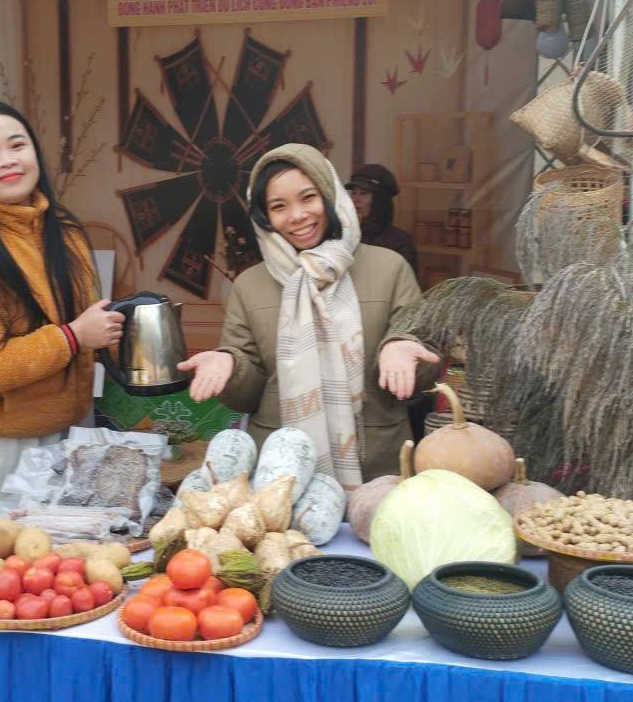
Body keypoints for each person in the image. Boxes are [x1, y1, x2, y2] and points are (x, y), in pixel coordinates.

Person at [177, 144, 440, 485]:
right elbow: (249, 394)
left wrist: (403, 347)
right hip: (280, 478)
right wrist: (230, 365)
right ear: (264, 217)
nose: (297, 215)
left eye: (308, 197)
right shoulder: (250, 285)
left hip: (376, 471)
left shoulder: (389, 268)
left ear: (330, 194)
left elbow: (423, 365)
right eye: (279, 206)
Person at [0, 98, 124, 545]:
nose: (7, 160)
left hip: (71, 434)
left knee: (62, 569)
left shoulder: (64, 231)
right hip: (0, 447)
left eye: (17, 145)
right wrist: (73, 337)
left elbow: (87, 323)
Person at [346, 163, 418, 275]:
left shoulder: (400, 242)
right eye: (353, 193)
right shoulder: (343, 235)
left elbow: (406, 283)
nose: (355, 199)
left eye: (363, 193)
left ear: (380, 200)